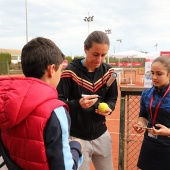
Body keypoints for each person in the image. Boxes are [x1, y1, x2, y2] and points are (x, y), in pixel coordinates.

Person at [0, 37, 82, 170]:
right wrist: (76, 147)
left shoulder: (5, 100)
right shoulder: (56, 111)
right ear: (52, 69)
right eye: (60, 70)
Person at [57, 31, 118, 170]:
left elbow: (112, 97)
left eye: (103, 55)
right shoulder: (70, 72)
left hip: (101, 134)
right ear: (85, 48)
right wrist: (77, 104)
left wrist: (109, 107)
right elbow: (59, 101)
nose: (99, 59)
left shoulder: (109, 72)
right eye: (95, 54)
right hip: (77, 137)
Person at [133, 55, 170, 170]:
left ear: (169, 74)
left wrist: (168, 132)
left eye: (159, 74)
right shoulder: (146, 94)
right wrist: (141, 124)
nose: (154, 77)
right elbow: (143, 116)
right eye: (152, 73)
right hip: (149, 144)